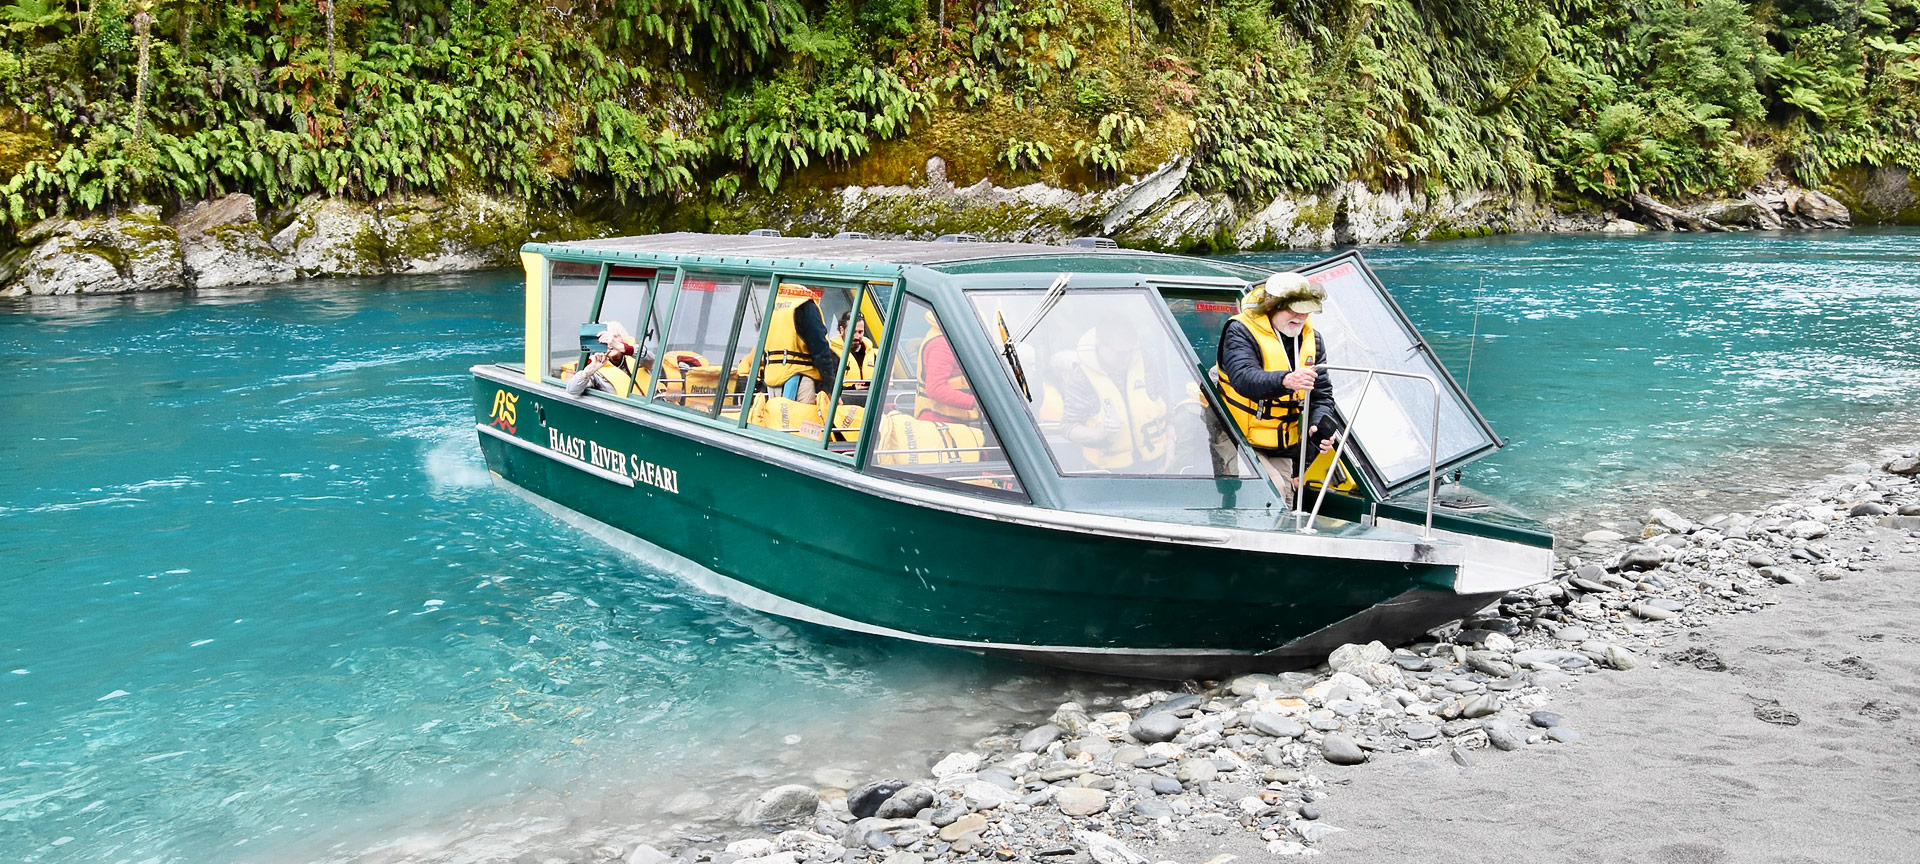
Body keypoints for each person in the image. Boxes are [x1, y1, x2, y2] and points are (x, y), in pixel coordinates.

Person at [1214, 272, 1338, 491]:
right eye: (1293, 309)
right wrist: (1286, 380)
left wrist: (1316, 426)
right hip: (1237, 436)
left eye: (1305, 309)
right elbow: (1243, 378)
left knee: (1288, 497)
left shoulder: (1313, 340)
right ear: (1270, 305)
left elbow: (1322, 395)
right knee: (1274, 490)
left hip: (1281, 443)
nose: (1300, 316)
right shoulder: (1240, 331)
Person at [1060, 316, 1172, 472]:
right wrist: (1099, 433)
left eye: (1131, 351)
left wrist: (1171, 445)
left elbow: (1167, 406)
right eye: (1121, 353)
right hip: (1109, 474)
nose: (1127, 358)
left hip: (1156, 466)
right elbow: (1068, 427)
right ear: (1101, 346)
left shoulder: (1144, 360)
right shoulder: (1082, 378)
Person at [760, 284, 840, 401]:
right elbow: (819, 348)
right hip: (799, 379)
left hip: (772, 380)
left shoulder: (773, 303)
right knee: (800, 417)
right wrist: (831, 388)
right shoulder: (804, 304)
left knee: (776, 417)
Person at [914, 311, 978, 424]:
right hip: (940, 424)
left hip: (951, 421)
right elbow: (935, 389)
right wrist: (977, 402)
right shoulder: (943, 344)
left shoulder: (948, 335)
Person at [566, 322, 646, 398]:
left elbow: (649, 357)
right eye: (604, 339)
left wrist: (620, 347)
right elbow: (572, 390)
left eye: (614, 337)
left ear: (623, 339)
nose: (609, 342)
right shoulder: (596, 368)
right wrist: (588, 371)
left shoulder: (636, 356)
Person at [830, 310, 876, 404]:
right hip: (843, 407)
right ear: (842, 329)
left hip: (870, 405)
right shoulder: (831, 355)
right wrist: (853, 388)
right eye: (853, 331)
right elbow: (825, 387)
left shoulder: (875, 355)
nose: (857, 336)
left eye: (860, 332)